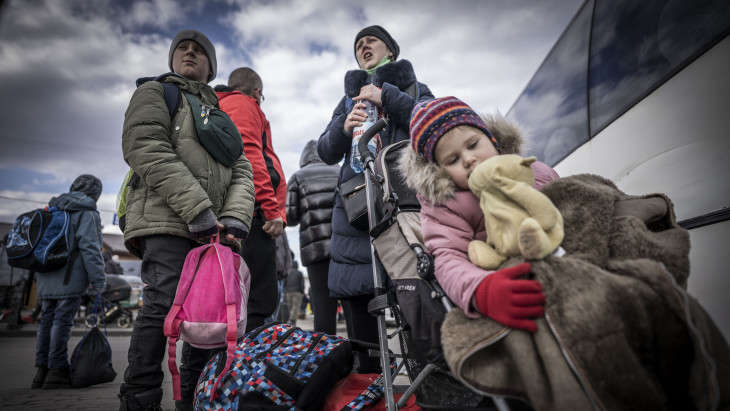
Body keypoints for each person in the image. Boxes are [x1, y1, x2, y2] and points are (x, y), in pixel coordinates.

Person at [118, 29, 255, 411]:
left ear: (211, 68)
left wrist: (233, 219)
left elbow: (242, 170)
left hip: (214, 231)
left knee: (206, 315)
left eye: (200, 51)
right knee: (162, 304)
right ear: (172, 59)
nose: (190, 53)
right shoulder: (156, 93)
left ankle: (197, 399)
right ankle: (139, 399)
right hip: (166, 220)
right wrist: (198, 209)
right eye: (183, 49)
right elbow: (144, 147)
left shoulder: (221, 115)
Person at [317, 25, 433, 372]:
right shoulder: (348, 99)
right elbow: (325, 151)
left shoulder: (414, 88)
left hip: (403, 207)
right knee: (360, 317)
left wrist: (389, 98)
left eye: (371, 40)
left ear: (391, 51)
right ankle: (368, 393)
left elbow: (432, 126)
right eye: (358, 44)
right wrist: (342, 126)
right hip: (355, 213)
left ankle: (425, 390)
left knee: (416, 308)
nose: (363, 45)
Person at [400, 96, 560, 332]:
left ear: (493, 140)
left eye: (473, 145)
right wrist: (482, 290)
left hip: (560, 257)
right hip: (509, 279)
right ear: (440, 172)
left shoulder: (533, 170)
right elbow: (448, 259)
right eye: (453, 160)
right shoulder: (447, 206)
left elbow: (567, 203)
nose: (468, 159)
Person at [215, 67, 287, 332]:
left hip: (237, 209)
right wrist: (271, 209)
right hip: (252, 213)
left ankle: (217, 366)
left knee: (232, 297)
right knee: (258, 299)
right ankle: (246, 366)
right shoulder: (243, 104)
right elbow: (250, 157)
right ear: (257, 92)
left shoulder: (221, 105)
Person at [30, 174, 107, 389]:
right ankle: (57, 370)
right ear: (95, 193)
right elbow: (90, 248)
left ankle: (41, 372)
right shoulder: (87, 212)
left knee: (47, 320)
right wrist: (99, 280)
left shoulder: (53, 208)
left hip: (46, 273)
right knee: (61, 322)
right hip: (69, 276)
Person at [285, 139, 341, 334]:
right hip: (343, 246)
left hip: (315, 250)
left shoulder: (298, 177)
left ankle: (326, 354)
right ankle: (359, 356)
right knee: (352, 302)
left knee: (322, 305)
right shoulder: (340, 171)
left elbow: (290, 218)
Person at [0, 234, 29, 330]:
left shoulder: (19, 253)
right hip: (3, 282)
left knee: (15, 304)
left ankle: (12, 324)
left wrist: (24, 277)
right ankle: (11, 323)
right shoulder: (1, 252)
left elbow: (25, 266)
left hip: (17, 281)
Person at [283, 258, 305, 326]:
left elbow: (284, 283)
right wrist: (302, 291)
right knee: (295, 307)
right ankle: (292, 320)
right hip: (297, 292)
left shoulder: (288, 272)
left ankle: (291, 322)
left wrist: (285, 291)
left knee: (290, 307)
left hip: (288, 292)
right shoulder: (299, 273)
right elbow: (302, 283)